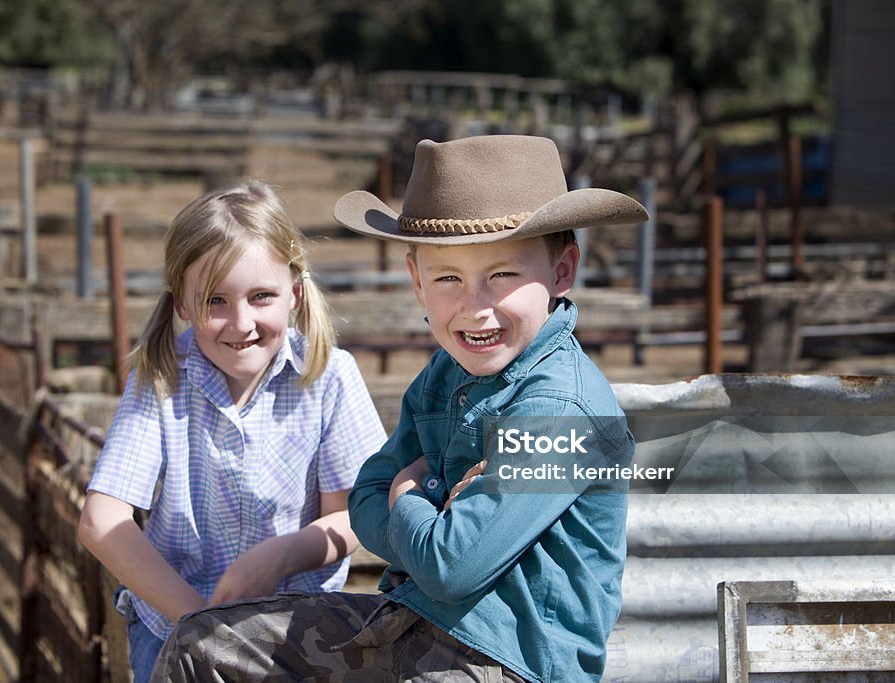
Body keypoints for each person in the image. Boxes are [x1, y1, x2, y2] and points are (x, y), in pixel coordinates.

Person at [152, 135, 649, 682]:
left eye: (503, 275)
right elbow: (366, 505)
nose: (475, 307)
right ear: (417, 281)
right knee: (201, 644)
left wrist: (411, 495)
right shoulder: (444, 374)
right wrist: (435, 516)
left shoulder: (561, 408)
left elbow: (451, 566)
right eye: (448, 279)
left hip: (508, 661)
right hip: (413, 627)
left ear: (561, 271)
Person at [77, 181, 387, 683]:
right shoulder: (162, 377)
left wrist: (283, 555)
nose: (241, 323)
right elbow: (101, 520)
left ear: (295, 293)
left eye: (261, 296)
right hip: (175, 626)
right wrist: (201, 619)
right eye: (215, 301)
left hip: (296, 633)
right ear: (181, 304)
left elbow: (353, 513)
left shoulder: (329, 375)